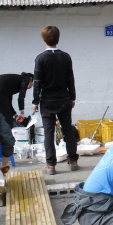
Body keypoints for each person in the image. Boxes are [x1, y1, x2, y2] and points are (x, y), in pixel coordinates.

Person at [32, 26, 78, 174]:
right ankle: (73, 161)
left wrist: (35, 101)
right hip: (64, 99)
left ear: (44, 39)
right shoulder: (66, 57)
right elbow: (70, 79)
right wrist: (72, 97)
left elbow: (37, 82)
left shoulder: (40, 58)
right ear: (58, 38)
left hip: (47, 101)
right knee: (68, 131)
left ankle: (51, 165)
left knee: (49, 133)